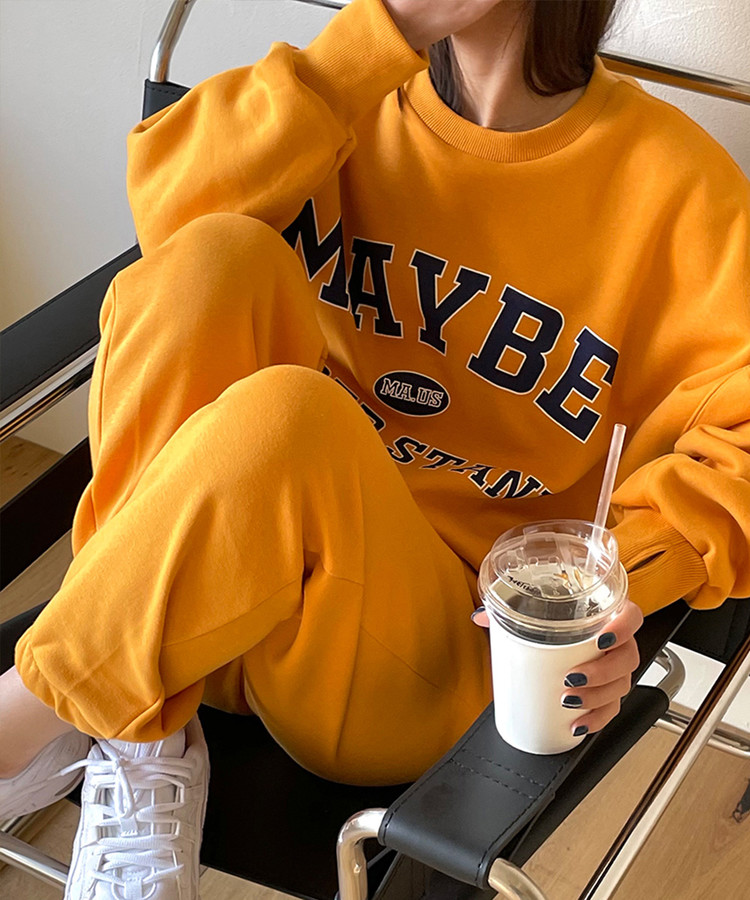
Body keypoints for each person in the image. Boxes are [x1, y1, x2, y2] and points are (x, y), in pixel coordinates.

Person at [1, 0, 748, 897]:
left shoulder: (676, 186)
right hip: (208, 599)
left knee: (296, 414)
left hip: (420, 658)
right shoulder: (339, 104)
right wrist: (373, 40)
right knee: (210, 257)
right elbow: (164, 225)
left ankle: (32, 716)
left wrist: (619, 584)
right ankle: (139, 731)